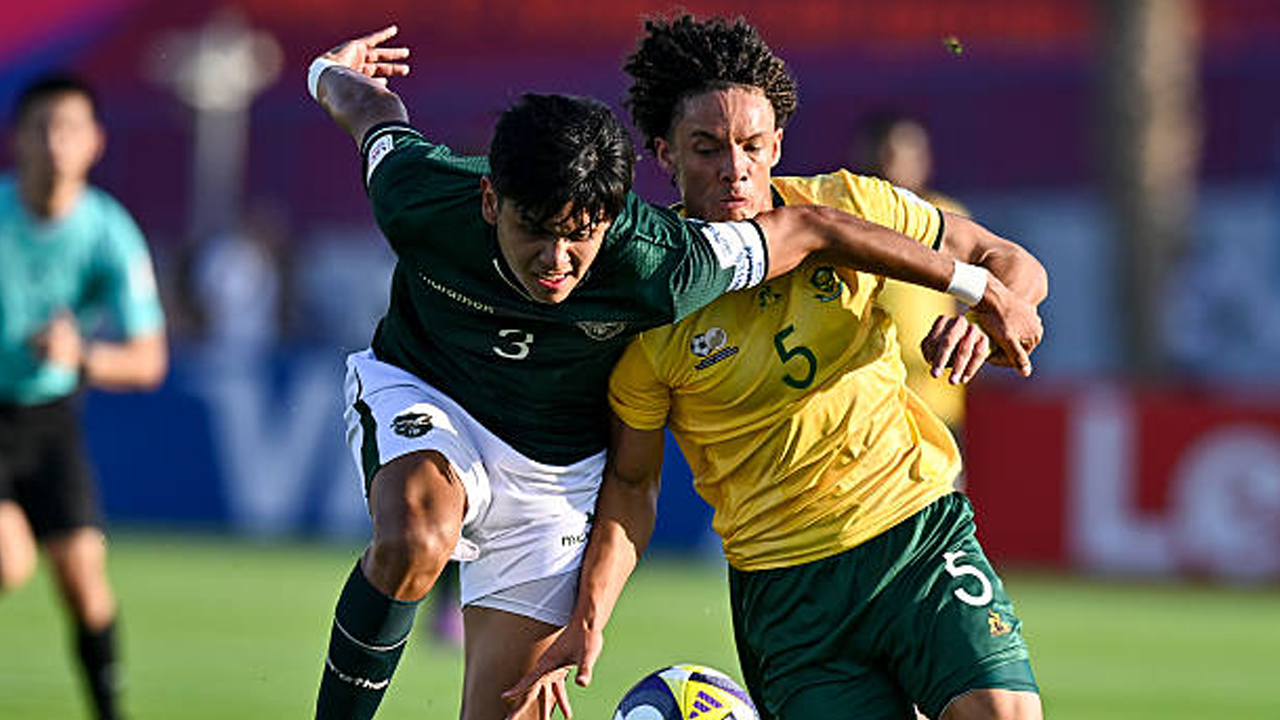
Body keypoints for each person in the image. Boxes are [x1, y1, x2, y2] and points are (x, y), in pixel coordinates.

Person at [305, 26, 1042, 720]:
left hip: (897, 528)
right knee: (416, 536)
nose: (735, 171)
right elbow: (373, 116)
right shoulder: (436, 201)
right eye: (707, 149)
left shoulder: (717, 246)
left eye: (753, 146)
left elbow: (848, 233)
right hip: (771, 581)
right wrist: (325, 71)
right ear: (663, 154)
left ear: (777, 143)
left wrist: (986, 299)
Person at [0, 75, 168, 720]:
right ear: (17, 140)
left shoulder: (108, 233)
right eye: (40, 126)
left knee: (83, 582)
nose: (53, 142)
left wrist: (81, 356)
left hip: (49, 418)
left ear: (95, 142)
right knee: (8, 561)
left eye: (68, 127)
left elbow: (149, 360)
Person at [852, 112, 971, 432]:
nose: (899, 164)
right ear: (868, 154)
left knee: (942, 480)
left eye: (911, 154)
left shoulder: (949, 220)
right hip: (867, 403)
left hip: (935, 402)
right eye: (890, 153)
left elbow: (970, 306)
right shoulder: (847, 223)